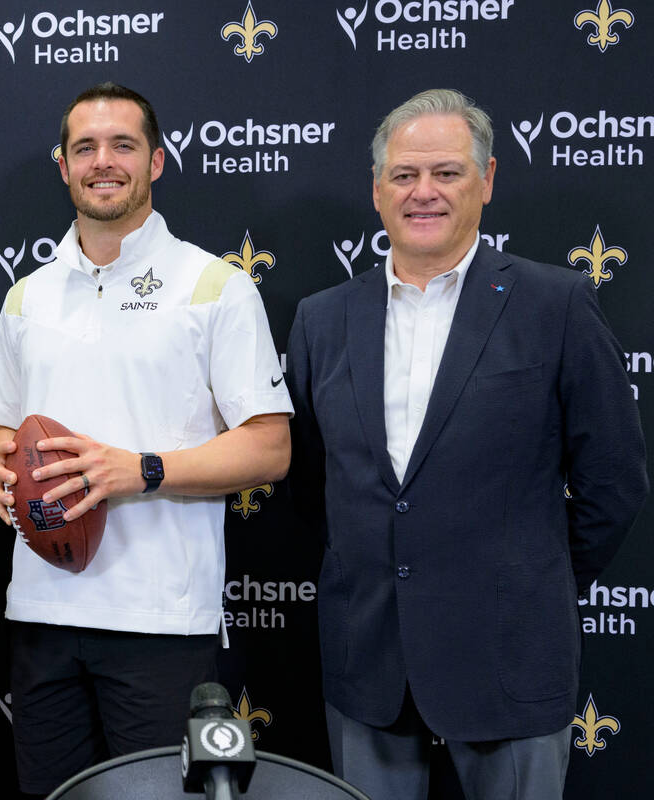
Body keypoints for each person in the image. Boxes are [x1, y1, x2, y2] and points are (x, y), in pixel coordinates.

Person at [286, 88, 648, 799]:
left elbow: (613, 481)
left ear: (486, 181)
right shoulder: (320, 319)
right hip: (370, 666)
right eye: (405, 175)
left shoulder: (558, 305)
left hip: (512, 656)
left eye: (447, 173)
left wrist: (531, 583)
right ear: (377, 189)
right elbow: (311, 485)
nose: (424, 192)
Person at [0, 81, 293, 796]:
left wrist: (139, 470)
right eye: (84, 147)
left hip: (158, 617)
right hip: (41, 611)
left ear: (156, 160)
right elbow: (4, 434)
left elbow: (270, 449)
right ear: (63, 165)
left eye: (123, 144)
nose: (103, 161)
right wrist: (1, 471)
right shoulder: (26, 296)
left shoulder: (213, 285)